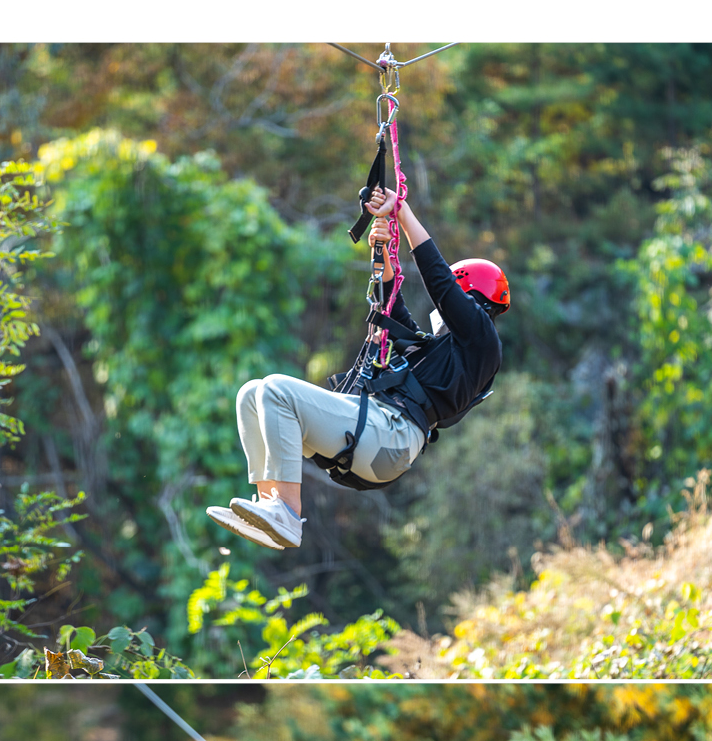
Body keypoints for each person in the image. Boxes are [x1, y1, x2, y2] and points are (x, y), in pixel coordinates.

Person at [207, 189, 509, 551]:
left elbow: (439, 281)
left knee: (275, 390)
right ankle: (269, 506)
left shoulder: (482, 338)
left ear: (470, 295)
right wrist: (383, 257)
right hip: (379, 438)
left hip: (391, 436)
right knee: (250, 395)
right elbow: (396, 316)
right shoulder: (443, 354)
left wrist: (402, 213)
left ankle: (286, 512)